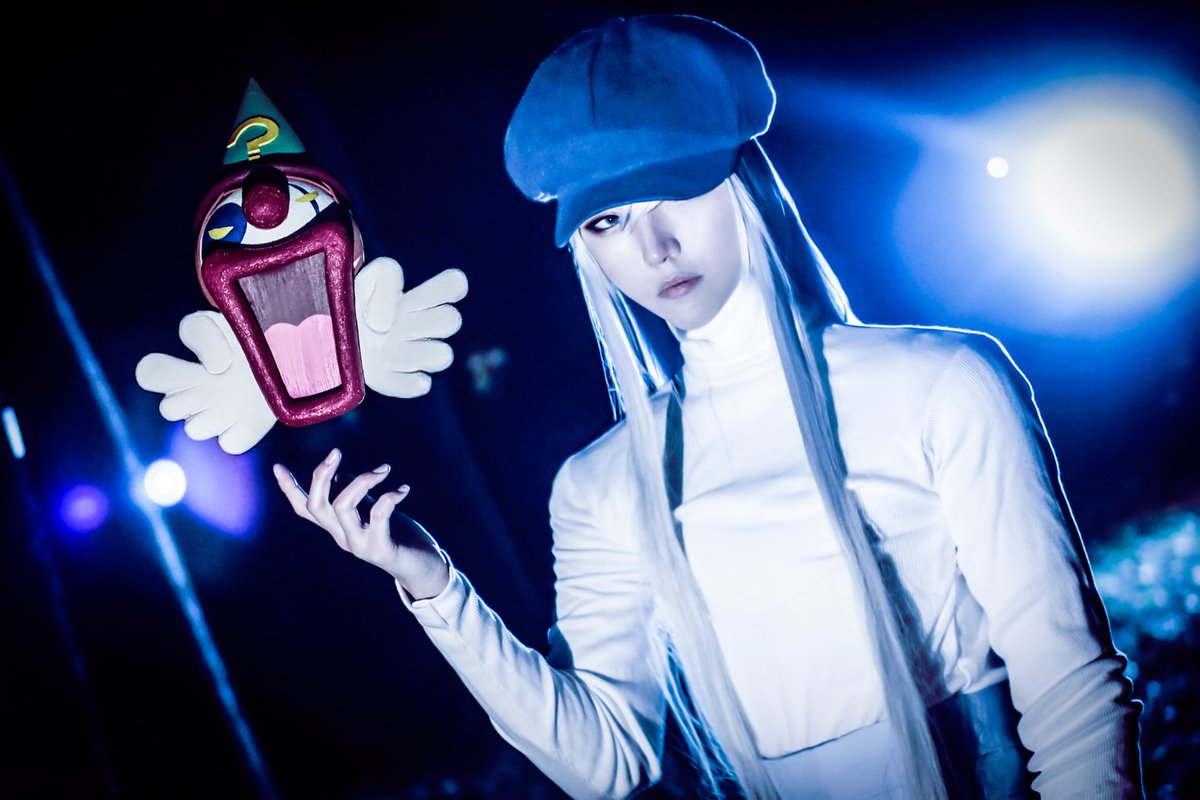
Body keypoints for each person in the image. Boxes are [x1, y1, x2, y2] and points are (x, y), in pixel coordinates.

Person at [274, 14, 1144, 800]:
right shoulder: (603, 484)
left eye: (673, 192)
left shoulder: (940, 383)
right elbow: (605, 763)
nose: (653, 247)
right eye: (608, 222)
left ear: (742, 179)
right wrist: (432, 584)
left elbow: (1072, 691)